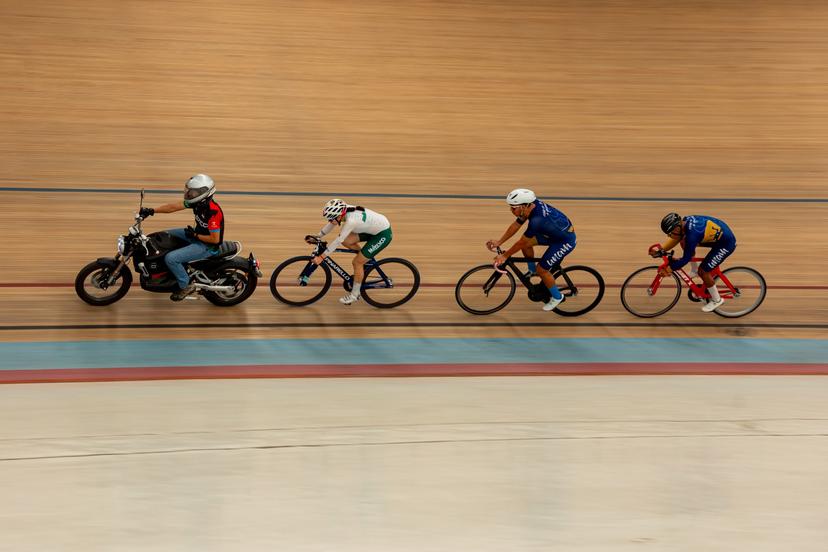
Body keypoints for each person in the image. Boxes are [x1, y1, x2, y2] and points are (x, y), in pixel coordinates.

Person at [487, 188, 576, 311]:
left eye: (513, 208)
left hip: (564, 241)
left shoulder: (537, 221)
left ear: (524, 206)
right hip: (554, 233)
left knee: (543, 270)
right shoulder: (530, 206)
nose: (511, 210)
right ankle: (532, 270)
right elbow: (516, 225)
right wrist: (499, 242)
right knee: (527, 245)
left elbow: (520, 242)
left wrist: (505, 256)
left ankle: (557, 297)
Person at [138, 174, 224, 301]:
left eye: (193, 192)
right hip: (196, 235)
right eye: (189, 191)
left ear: (204, 193)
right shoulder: (198, 203)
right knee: (164, 236)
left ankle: (185, 285)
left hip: (206, 246)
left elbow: (215, 240)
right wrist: (151, 211)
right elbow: (173, 207)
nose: (190, 194)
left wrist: (195, 235)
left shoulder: (213, 212)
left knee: (171, 258)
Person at [308, 198, 393, 305]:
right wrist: (318, 236)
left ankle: (355, 295)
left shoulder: (351, 220)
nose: (329, 221)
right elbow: (332, 224)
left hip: (382, 234)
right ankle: (365, 258)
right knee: (348, 242)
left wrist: (321, 257)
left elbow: (338, 240)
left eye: (331, 219)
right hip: (371, 229)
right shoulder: (342, 211)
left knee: (357, 262)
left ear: (339, 216)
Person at [650, 212, 737, 312]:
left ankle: (717, 300)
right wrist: (662, 250)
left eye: (670, 232)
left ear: (677, 228)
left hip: (726, 244)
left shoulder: (692, 235)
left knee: (703, 271)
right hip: (716, 236)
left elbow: (685, 259)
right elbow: (677, 238)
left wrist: (669, 269)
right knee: (684, 241)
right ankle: (694, 269)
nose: (670, 236)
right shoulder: (684, 223)